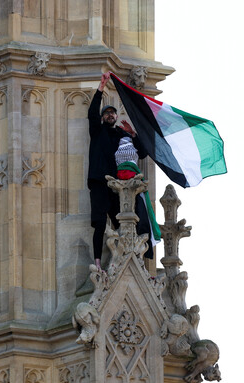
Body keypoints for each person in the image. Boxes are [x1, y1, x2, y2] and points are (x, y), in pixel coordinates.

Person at [88, 72, 146, 270]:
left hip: (118, 184)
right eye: (107, 113)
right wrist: (101, 87)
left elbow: (143, 153)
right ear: (103, 117)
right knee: (99, 223)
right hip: (99, 181)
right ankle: (97, 262)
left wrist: (133, 134)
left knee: (122, 221)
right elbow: (92, 113)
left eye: (113, 113)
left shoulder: (122, 134)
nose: (110, 115)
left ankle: (129, 260)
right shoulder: (97, 131)